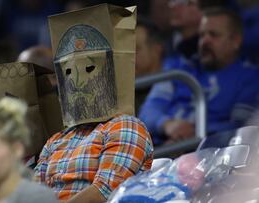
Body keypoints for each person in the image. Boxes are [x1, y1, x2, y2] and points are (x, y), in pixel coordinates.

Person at [34, 5, 154, 203]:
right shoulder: (55, 141)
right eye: (69, 72)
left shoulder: (126, 127)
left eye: (90, 68)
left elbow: (103, 194)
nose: (77, 82)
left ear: (111, 73)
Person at [139, 7, 259, 145]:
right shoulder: (178, 68)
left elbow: (241, 128)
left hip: (213, 152)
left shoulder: (250, 78)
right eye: (202, 35)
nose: (205, 41)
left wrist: (192, 135)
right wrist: (168, 125)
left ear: (235, 41)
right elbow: (148, 111)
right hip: (163, 148)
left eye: (214, 35)